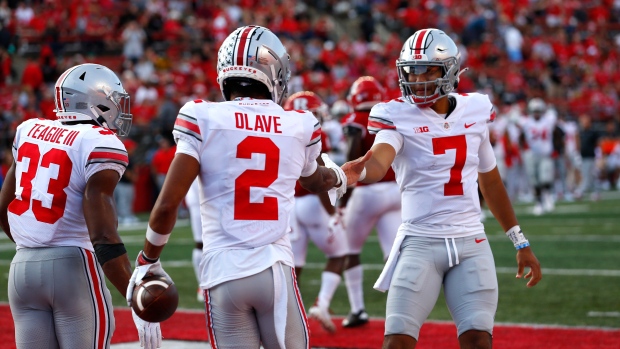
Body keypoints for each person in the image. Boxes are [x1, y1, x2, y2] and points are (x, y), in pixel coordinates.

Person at [125, 25, 351, 349]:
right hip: (274, 268)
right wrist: (341, 176)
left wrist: (148, 260)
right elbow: (317, 180)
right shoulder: (299, 123)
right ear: (275, 72)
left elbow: (166, 205)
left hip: (222, 272)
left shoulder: (202, 116)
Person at [341, 28, 542, 349]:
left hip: (471, 243)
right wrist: (358, 171)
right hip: (420, 242)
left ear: (449, 70)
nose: (417, 79)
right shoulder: (396, 114)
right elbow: (379, 161)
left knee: (478, 339)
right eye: (411, 71)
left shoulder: (474, 109)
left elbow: (489, 180)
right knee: (397, 342)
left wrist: (520, 241)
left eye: (427, 70)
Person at [0, 64, 160, 349]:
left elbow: (4, 207)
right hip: (72, 267)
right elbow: (104, 238)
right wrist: (136, 300)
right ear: (94, 101)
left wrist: (35, 246)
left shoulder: (28, 130)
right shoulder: (97, 141)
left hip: (22, 269)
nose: (118, 109)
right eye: (112, 100)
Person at [283, 91, 348, 333]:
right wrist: (332, 213)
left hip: (289, 206)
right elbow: (319, 177)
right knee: (339, 254)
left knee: (294, 266)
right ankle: (321, 304)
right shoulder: (313, 134)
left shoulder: (280, 133)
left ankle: (288, 316)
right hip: (312, 202)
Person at [339, 76, 401, 327]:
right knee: (393, 255)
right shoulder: (388, 116)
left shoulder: (355, 121)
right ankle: (399, 312)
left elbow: (353, 155)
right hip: (393, 190)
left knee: (349, 251)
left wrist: (345, 194)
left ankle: (357, 310)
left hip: (367, 192)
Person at [518, 98, 557, 215]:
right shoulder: (526, 122)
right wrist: (521, 150)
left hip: (545, 154)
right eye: (534, 111)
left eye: (538, 110)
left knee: (545, 178)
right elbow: (520, 135)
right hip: (531, 154)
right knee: (534, 181)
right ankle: (539, 203)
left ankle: (548, 198)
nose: (536, 113)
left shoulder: (548, 120)